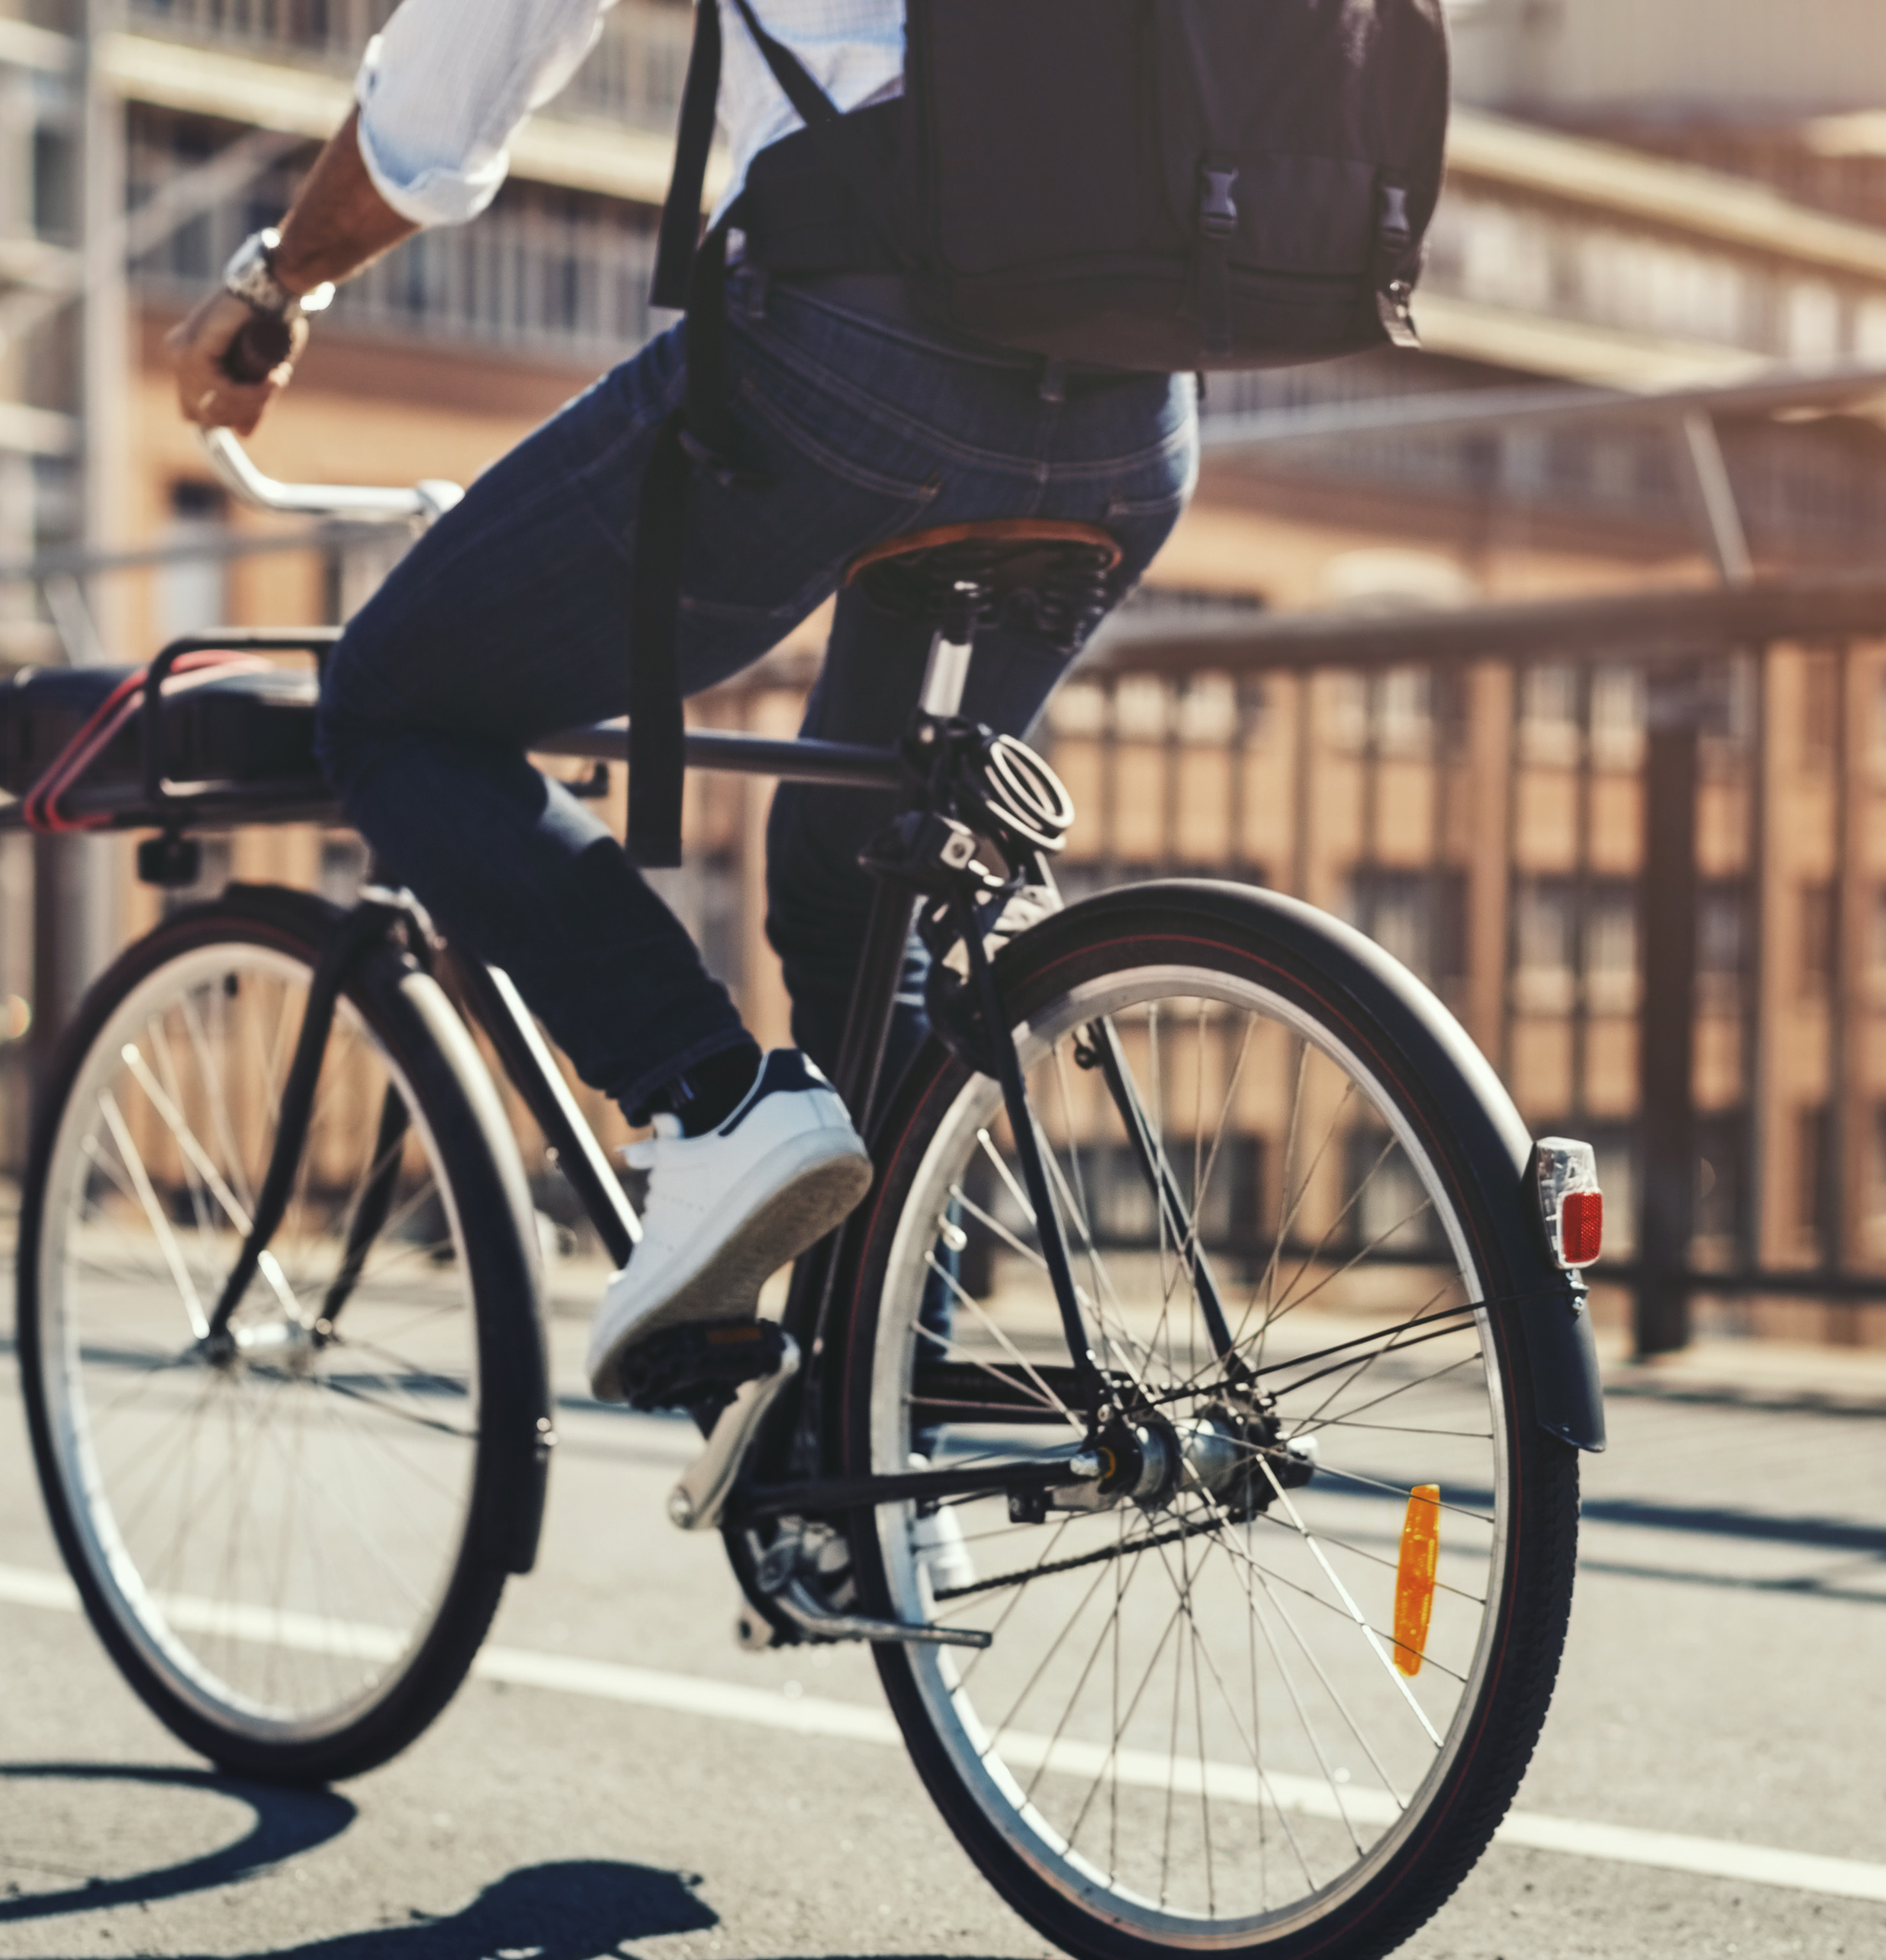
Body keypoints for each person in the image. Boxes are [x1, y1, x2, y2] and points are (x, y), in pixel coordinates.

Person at [166, 0, 1194, 1400]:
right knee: (856, 882)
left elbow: (445, 101)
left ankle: (710, 1102)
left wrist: (279, 285)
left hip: (859, 357)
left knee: (395, 700)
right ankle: (872, 1452)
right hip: (1142, 416)